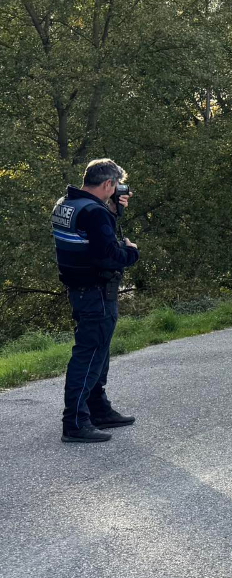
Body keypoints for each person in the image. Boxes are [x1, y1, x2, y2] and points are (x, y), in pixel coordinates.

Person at [52, 159, 140, 443]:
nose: (116, 191)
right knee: (89, 355)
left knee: (97, 353)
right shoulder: (95, 212)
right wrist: (131, 253)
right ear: (107, 184)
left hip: (79, 289)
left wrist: (113, 211)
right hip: (97, 292)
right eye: (115, 186)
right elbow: (106, 254)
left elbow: (90, 240)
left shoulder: (66, 204)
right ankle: (75, 422)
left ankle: (98, 409)